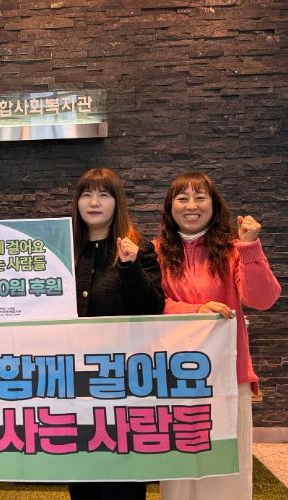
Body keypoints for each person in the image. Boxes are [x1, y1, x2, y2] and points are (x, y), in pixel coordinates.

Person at [155, 171, 281, 500]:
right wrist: (195, 310)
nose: (191, 205)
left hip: (228, 375)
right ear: (169, 207)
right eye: (182, 198)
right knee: (179, 473)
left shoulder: (233, 250)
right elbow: (151, 305)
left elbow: (262, 299)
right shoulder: (155, 252)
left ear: (214, 205)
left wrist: (250, 247)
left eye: (200, 197)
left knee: (227, 471)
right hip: (174, 377)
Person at [69, 167, 164, 500]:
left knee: (124, 480)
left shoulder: (139, 249)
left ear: (117, 202)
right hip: (72, 384)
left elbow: (153, 307)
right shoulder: (63, 251)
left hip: (122, 384)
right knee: (81, 477)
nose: (94, 202)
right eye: (87, 194)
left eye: (103, 195)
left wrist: (129, 267)